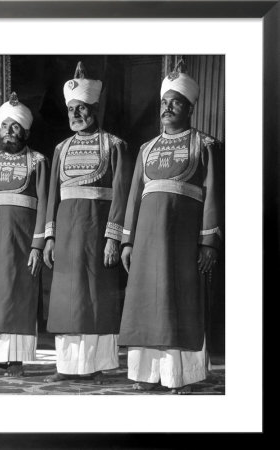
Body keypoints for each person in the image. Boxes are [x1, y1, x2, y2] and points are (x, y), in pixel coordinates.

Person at [118, 68, 224, 393]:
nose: (167, 108)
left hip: (182, 243)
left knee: (180, 304)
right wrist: (127, 241)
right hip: (146, 243)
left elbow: (213, 197)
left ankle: (183, 377)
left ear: (189, 108)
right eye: (164, 102)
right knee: (144, 304)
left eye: (175, 103)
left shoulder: (206, 145)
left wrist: (209, 243)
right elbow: (134, 198)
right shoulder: (145, 149)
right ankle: (145, 375)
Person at [43, 62, 132, 383]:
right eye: (71, 109)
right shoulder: (60, 149)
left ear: (94, 108)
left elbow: (122, 196)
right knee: (66, 301)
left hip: (97, 237)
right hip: (66, 237)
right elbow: (51, 197)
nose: (76, 114)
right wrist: (48, 239)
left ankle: (96, 365)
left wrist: (113, 238)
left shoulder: (115, 146)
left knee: (95, 300)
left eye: (82, 108)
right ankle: (67, 367)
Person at [0, 92, 49, 377]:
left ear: (26, 131)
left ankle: (15, 359)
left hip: (22, 240)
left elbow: (44, 204)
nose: (9, 131)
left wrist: (38, 244)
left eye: (15, 126)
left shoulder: (38, 161)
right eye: (5, 125)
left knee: (18, 296)